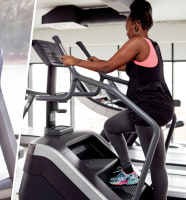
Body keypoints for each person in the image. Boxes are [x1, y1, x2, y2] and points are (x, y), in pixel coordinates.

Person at [61, 1, 174, 199]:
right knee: (111, 126)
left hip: (149, 108)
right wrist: (95, 62)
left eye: (127, 27)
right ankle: (128, 172)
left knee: (156, 165)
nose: (127, 32)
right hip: (150, 106)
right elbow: (124, 66)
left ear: (136, 24)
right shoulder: (151, 45)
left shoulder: (137, 42)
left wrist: (76, 61)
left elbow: (108, 68)